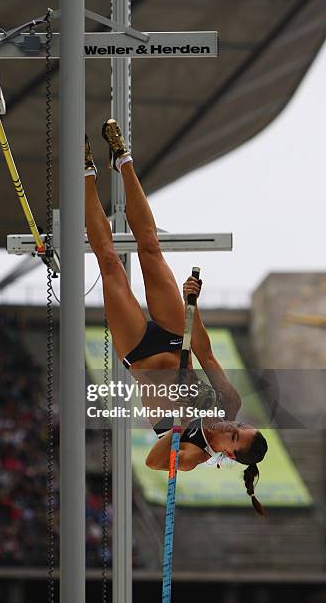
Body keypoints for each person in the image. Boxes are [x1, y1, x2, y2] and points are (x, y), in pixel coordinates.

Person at [85, 119, 268, 515]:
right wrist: (192, 304)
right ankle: (124, 160)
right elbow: (206, 354)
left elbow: (152, 461)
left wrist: (181, 429)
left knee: (111, 264)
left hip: (139, 354)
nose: (230, 427)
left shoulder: (193, 455)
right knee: (150, 247)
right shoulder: (228, 402)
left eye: (233, 436)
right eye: (239, 426)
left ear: (230, 455)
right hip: (173, 336)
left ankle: (85, 174)